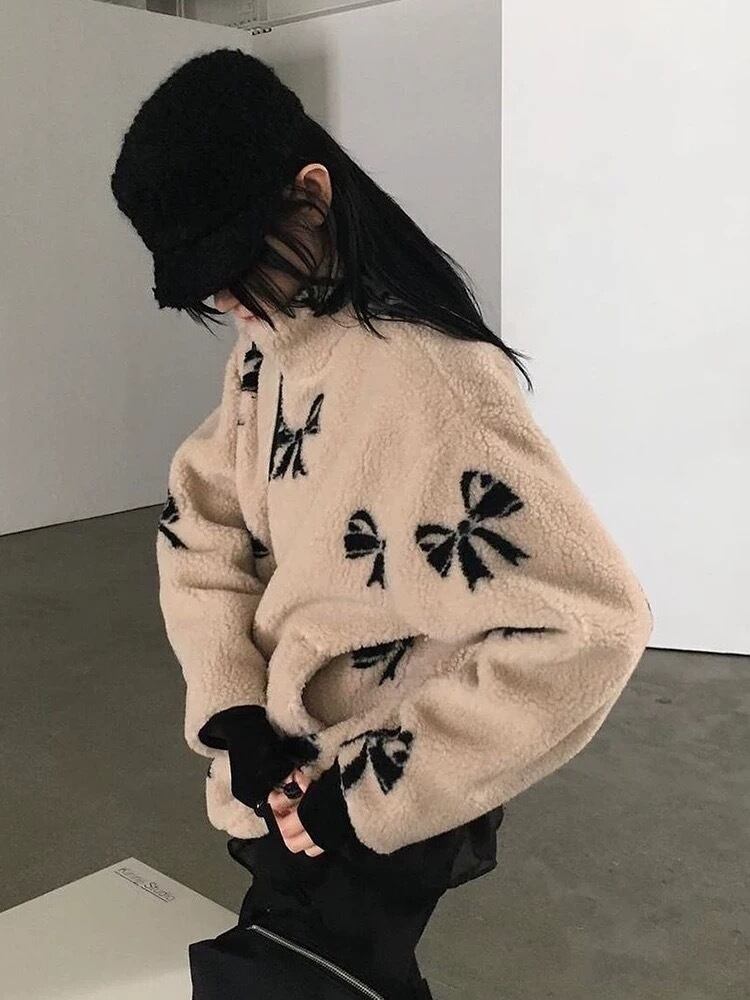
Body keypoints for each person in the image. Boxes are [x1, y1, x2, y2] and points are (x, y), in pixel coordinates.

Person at [110, 48, 653, 999]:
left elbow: (593, 622)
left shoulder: (434, 383)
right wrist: (235, 707)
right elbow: (200, 516)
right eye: (201, 284)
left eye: (234, 266)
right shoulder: (270, 348)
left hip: (371, 789)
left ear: (312, 195)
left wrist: (367, 793)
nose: (225, 301)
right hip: (285, 765)